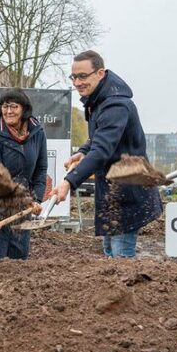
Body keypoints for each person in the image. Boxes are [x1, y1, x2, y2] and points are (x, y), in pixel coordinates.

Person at [51, 50, 162, 258]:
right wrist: (83, 151)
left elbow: (101, 151)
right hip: (113, 192)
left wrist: (69, 182)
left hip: (127, 191)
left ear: (100, 73)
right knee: (110, 251)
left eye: (83, 76)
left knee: (121, 255)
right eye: (73, 77)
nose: (77, 82)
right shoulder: (98, 101)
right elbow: (99, 138)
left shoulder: (115, 105)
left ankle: (128, 291)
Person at [0, 88, 47, 261]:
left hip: (20, 203)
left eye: (14, 106)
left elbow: (40, 170)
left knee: (17, 259)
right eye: (4, 106)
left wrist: (36, 199)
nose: (8, 111)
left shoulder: (37, 133)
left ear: (24, 109)